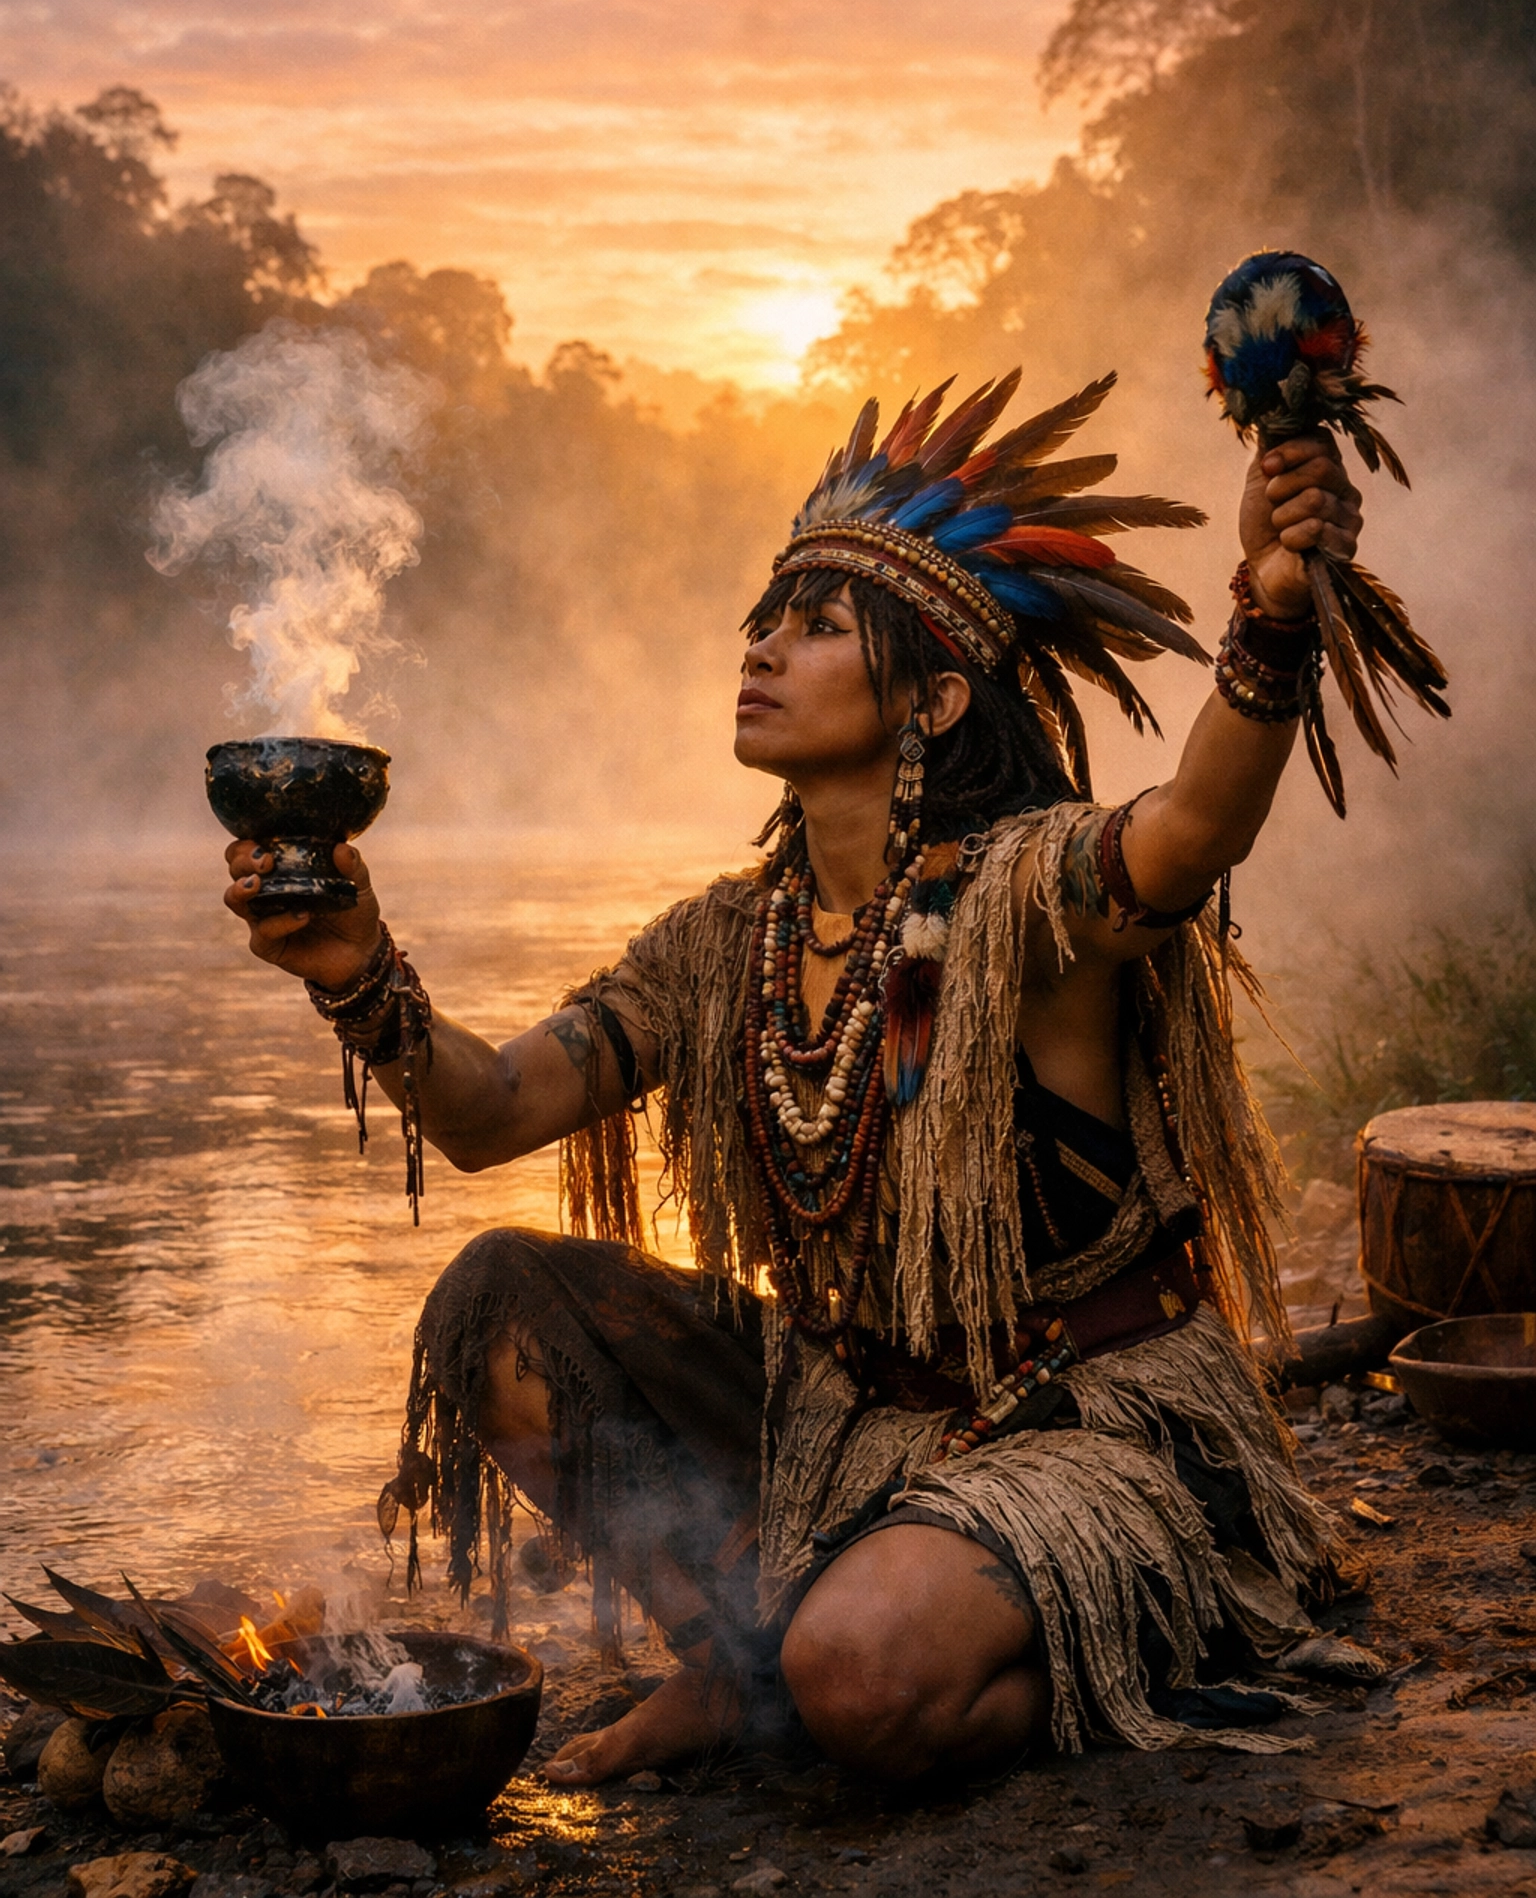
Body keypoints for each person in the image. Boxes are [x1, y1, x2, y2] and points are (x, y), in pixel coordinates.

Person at [224, 365, 1366, 1785]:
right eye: (765, 620)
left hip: (1085, 1423)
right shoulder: (724, 944)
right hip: (848, 1417)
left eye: (817, 628)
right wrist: (356, 970)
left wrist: (1272, 608)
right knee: (494, 1308)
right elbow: (491, 1112)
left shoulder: (1022, 899)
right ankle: (735, 1666)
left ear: (934, 696)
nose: (760, 647)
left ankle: (1114, 1621)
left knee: (861, 1677)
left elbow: (1193, 828)